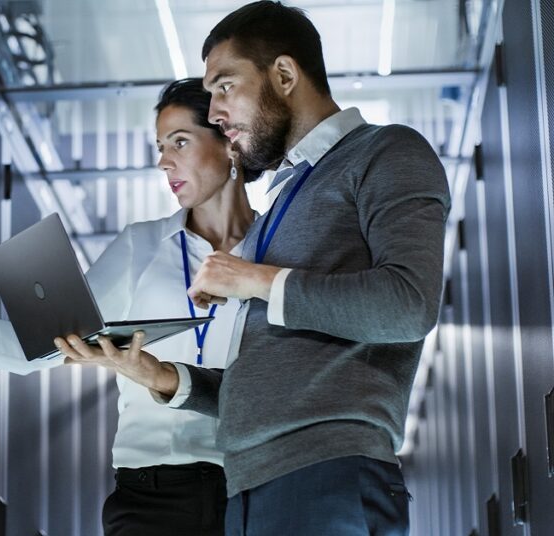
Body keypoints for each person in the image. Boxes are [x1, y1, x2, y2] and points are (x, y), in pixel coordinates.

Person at [65, 2, 451, 535]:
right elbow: (264, 382)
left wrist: (252, 278)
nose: (216, 111)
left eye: (225, 86)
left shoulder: (385, 151)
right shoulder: (283, 201)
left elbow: (407, 305)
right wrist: (164, 378)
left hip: (328, 472)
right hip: (250, 485)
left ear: (285, 75)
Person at [0, 77, 257, 536]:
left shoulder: (276, 254)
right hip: (150, 495)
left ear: (229, 141)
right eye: (160, 146)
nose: (164, 161)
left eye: (180, 141)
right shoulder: (142, 245)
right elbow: (34, 349)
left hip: (252, 490)